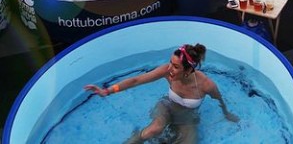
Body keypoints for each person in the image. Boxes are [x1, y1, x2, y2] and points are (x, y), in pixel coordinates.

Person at [84, 43, 238, 144]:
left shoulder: (206, 85)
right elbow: (137, 80)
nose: (170, 68)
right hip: (167, 107)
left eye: (176, 66)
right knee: (155, 129)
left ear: (189, 70)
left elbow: (219, 99)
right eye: (171, 62)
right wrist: (108, 91)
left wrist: (226, 113)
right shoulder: (167, 71)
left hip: (187, 117)